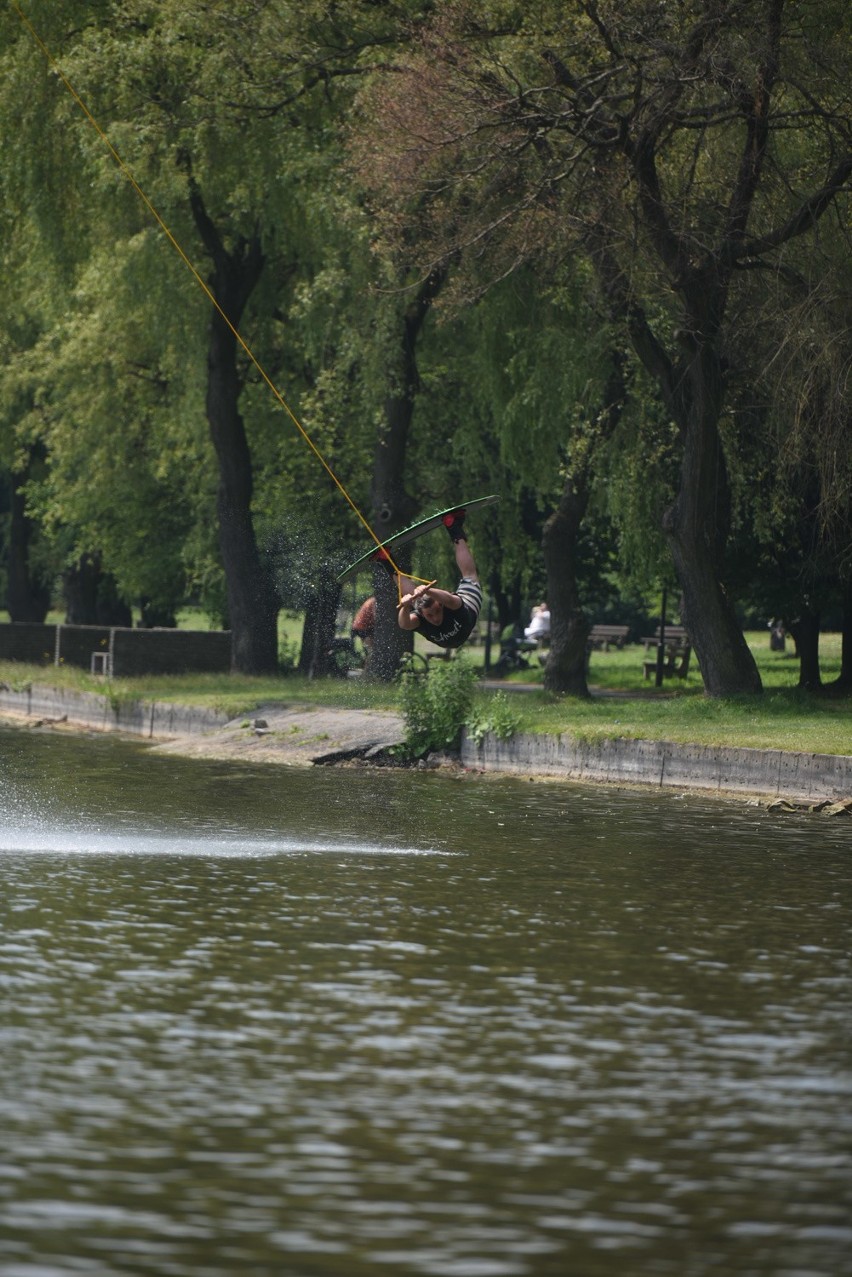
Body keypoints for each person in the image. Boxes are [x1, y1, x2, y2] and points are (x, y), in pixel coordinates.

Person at [375, 509, 482, 651]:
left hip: (466, 605)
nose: (436, 618)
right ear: (421, 613)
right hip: (472, 604)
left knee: (415, 596)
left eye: (437, 611)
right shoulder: (420, 617)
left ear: (441, 605)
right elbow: (405, 623)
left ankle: (385, 561)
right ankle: (453, 527)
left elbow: (448, 599)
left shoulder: (452, 605)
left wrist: (408, 603)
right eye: (430, 615)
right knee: (469, 576)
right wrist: (411, 604)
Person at [351, 595, 376, 663]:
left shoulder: (370, 600)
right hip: (362, 628)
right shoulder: (374, 601)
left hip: (359, 627)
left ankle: (365, 662)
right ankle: (367, 667)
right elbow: (375, 616)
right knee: (371, 650)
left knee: (369, 649)